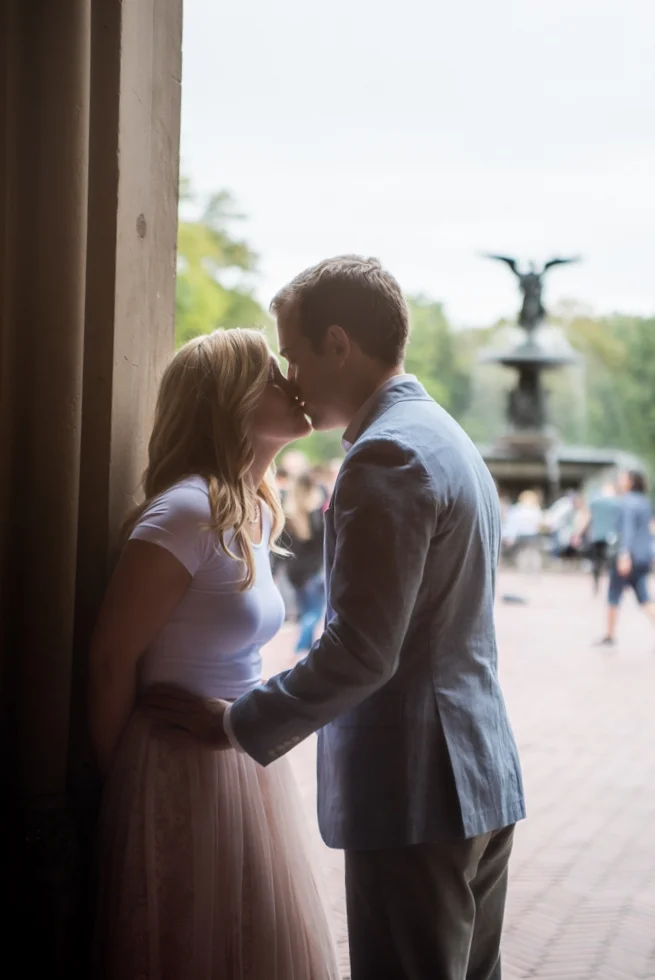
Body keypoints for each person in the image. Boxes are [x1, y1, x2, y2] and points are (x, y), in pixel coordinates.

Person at [146, 256, 525, 980]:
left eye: (291, 353)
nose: (289, 376)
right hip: (478, 774)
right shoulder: (442, 434)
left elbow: (360, 650)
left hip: (415, 786)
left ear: (338, 345)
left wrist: (234, 722)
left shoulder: (386, 455)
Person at [88, 329, 339, 980]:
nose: (291, 382)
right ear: (231, 402)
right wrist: (126, 788)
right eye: (269, 376)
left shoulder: (254, 513)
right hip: (176, 767)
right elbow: (110, 660)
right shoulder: (185, 513)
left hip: (239, 761)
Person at [598, 469, 655, 647]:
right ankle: (609, 635)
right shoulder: (645, 502)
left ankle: (609, 636)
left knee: (613, 595)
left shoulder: (627, 503)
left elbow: (627, 530)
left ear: (631, 482)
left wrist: (624, 554)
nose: (620, 481)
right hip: (643, 556)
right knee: (644, 598)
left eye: (623, 478)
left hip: (627, 557)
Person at [283, 471, 326, 655]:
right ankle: (301, 648)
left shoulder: (288, 514)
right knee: (314, 612)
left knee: (306, 611)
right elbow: (324, 544)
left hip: (295, 572)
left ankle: (304, 649)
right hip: (312, 571)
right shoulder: (315, 514)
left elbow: (283, 549)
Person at [577, 482, 619, 594]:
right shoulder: (617, 503)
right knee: (611, 563)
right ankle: (612, 586)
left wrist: (578, 533)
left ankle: (596, 586)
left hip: (596, 536)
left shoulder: (595, 502)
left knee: (596, 562)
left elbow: (587, 517)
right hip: (612, 537)